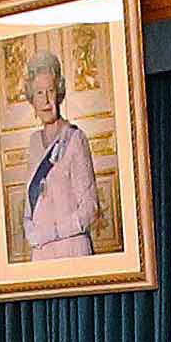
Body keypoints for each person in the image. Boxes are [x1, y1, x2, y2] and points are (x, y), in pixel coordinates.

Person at [13, 43, 101, 262]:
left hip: (72, 250)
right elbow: (30, 202)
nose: (45, 100)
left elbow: (90, 208)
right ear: (31, 99)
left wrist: (51, 233)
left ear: (59, 93)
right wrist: (31, 232)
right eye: (39, 93)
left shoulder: (75, 139)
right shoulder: (34, 143)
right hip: (42, 254)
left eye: (50, 91)